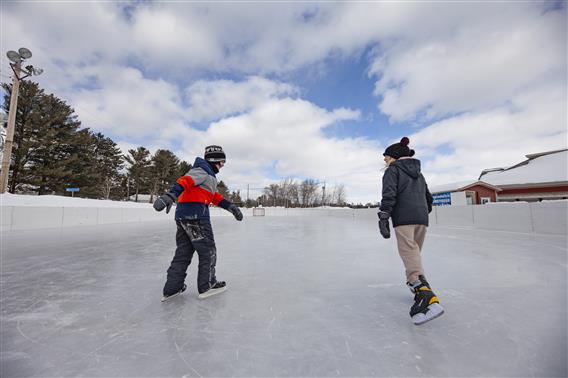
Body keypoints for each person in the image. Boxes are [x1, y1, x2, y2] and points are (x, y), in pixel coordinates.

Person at [153, 145, 243, 302]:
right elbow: (185, 181)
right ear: (214, 160)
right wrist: (171, 195)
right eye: (222, 162)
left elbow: (214, 197)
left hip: (183, 216)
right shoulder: (202, 170)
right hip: (196, 216)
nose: (222, 165)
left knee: (183, 252)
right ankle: (207, 285)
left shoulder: (208, 176)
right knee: (208, 250)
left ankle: (172, 288)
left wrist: (231, 207)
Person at [378, 137, 443, 325]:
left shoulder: (393, 170)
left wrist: (384, 216)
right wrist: (421, 210)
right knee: (413, 254)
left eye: (386, 156)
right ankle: (418, 289)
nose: (384, 160)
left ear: (395, 157)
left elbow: (389, 194)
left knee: (409, 254)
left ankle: (426, 298)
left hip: (404, 218)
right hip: (422, 218)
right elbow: (428, 197)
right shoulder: (419, 174)